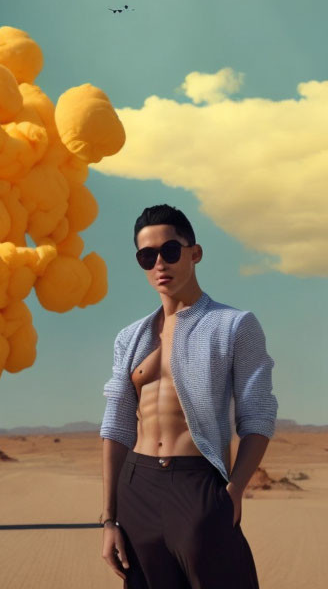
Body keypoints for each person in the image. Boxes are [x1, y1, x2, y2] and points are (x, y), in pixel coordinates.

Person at [99, 204, 277, 588]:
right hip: (137, 488)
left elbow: (258, 415)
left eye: (170, 250)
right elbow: (116, 428)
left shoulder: (234, 325)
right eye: (148, 256)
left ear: (194, 253)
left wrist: (233, 492)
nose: (160, 263)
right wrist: (109, 519)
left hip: (197, 486)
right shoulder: (129, 338)